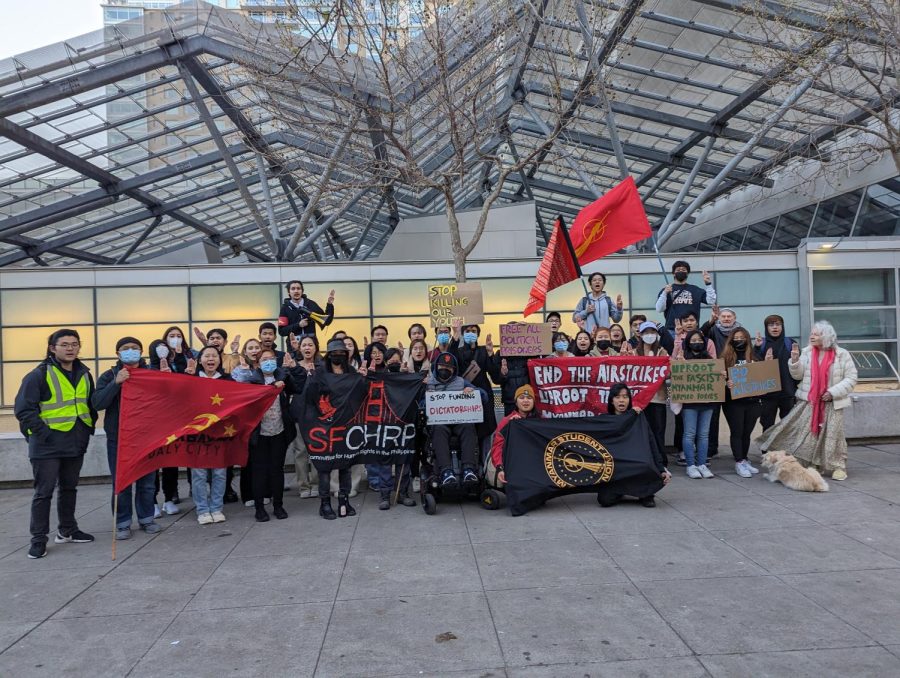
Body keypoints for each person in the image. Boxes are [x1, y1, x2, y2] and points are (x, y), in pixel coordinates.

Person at [14, 329, 97, 559]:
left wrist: (87, 428)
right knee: (44, 492)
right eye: (65, 344)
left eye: (75, 344)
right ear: (52, 348)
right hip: (47, 444)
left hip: (76, 440)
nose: (70, 348)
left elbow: (88, 404)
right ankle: (38, 540)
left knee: (69, 488)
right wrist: (44, 433)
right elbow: (23, 409)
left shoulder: (84, 373)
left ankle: (67, 530)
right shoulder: (38, 375)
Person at [758, 320, 858, 481]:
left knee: (833, 435)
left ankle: (838, 466)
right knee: (810, 435)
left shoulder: (842, 354)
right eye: (811, 333)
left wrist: (832, 392)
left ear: (825, 336)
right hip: (810, 402)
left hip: (833, 403)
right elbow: (797, 376)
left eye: (816, 334)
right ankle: (814, 463)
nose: (811, 336)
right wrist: (795, 361)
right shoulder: (806, 352)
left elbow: (852, 378)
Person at [92, 337, 160, 540]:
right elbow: (97, 403)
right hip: (119, 439)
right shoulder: (109, 375)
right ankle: (122, 523)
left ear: (141, 352)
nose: (131, 351)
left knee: (147, 482)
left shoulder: (152, 375)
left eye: (135, 348)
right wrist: (116, 383)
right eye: (125, 348)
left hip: (147, 437)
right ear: (118, 354)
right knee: (121, 483)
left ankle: (147, 518)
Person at [232, 347, 298, 521]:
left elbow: (297, 388)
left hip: (279, 431)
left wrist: (291, 370)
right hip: (258, 434)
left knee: (277, 470)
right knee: (259, 471)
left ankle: (278, 505)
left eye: (271, 358)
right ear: (258, 363)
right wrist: (272, 386)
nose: (268, 361)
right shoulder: (251, 380)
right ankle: (259, 508)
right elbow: (253, 399)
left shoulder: (282, 376)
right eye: (264, 359)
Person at [302, 338, 360, 519]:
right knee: (325, 467)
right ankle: (325, 504)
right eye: (335, 353)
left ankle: (344, 500)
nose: (338, 356)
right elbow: (310, 398)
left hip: (345, 424)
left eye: (342, 353)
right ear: (329, 355)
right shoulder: (319, 373)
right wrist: (310, 379)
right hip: (324, 426)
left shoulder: (351, 372)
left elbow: (360, 394)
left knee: (346, 466)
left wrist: (364, 378)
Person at [597, 383, 670, 508]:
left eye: (625, 397)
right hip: (616, 471)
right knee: (605, 500)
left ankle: (646, 494)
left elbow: (651, 443)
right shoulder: (605, 420)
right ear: (611, 400)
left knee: (647, 470)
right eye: (618, 397)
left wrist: (661, 469)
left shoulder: (637, 417)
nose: (621, 400)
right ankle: (623, 490)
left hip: (636, 468)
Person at [151, 326, 196, 514]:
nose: (175, 339)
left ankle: (170, 497)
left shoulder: (186, 357)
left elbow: (184, 384)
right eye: (171, 336)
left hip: (179, 416)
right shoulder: (153, 364)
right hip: (157, 419)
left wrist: (178, 357)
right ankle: (151, 500)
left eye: (178, 336)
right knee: (153, 461)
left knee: (172, 457)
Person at [426, 352, 486, 490]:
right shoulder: (428, 383)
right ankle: (446, 471)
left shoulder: (461, 381)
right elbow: (421, 404)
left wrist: (473, 391)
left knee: (468, 427)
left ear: (454, 369)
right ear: (436, 366)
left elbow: (484, 396)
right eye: (441, 366)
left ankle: (468, 470)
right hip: (440, 423)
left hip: (460, 422)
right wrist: (427, 399)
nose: (444, 369)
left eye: (449, 367)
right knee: (438, 430)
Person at [190, 346, 232, 525]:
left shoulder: (227, 380)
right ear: (200, 360)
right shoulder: (191, 380)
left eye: (214, 356)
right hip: (197, 435)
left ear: (219, 360)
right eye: (206, 355)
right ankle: (202, 510)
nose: (210, 359)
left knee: (220, 473)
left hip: (220, 434)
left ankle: (216, 508)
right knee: (199, 473)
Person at [721, 327, 765, 478]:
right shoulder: (725, 358)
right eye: (736, 338)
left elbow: (762, 376)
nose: (739, 340)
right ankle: (738, 461)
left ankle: (745, 459)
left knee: (747, 432)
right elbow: (719, 380)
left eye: (742, 337)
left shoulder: (754, 356)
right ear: (731, 340)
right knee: (737, 431)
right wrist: (726, 382)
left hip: (752, 401)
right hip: (733, 402)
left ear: (747, 339)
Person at [677, 330, 717, 479]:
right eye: (693, 340)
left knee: (704, 435)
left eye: (699, 340)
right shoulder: (683, 357)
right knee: (689, 434)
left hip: (707, 401)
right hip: (689, 402)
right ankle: (690, 465)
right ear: (688, 342)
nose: (696, 343)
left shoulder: (709, 358)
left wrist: (721, 374)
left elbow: (716, 375)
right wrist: (679, 364)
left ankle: (701, 464)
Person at [487, 384, 537, 488]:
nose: (526, 401)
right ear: (516, 401)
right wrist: (499, 468)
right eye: (522, 398)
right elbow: (497, 447)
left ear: (534, 402)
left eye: (529, 398)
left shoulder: (539, 422)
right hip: (514, 467)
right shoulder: (507, 421)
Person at [755, 314, 799, 430]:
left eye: (778, 324)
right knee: (767, 425)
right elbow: (754, 368)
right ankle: (766, 448)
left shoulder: (791, 343)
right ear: (766, 328)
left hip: (787, 392)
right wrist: (757, 349)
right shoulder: (761, 344)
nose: (775, 327)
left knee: (788, 426)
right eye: (771, 325)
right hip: (767, 394)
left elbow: (799, 369)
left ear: (782, 326)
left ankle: (787, 448)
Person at [292, 335, 321, 498]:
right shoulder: (293, 366)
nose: (307, 348)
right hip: (298, 414)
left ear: (315, 347)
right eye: (304, 345)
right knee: (300, 452)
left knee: (317, 450)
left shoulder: (322, 366)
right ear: (300, 348)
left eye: (310, 345)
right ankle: (303, 486)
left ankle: (317, 484)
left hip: (317, 416)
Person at [634, 321, 668, 458]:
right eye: (646, 332)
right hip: (640, 400)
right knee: (642, 431)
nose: (650, 335)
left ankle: (661, 460)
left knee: (658, 431)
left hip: (658, 398)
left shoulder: (662, 351)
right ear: (641, 335)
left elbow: (668, 372)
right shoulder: (634, 352)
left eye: (652, 332)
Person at [655, 260, 717, 331]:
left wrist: (708, 284)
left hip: (692, 330)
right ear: (673, 273)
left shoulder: (695, 289)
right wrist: (665, 293)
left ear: (687, 273)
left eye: (684, 270)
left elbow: (711, 300)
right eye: (678, 270)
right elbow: (659, 309)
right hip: (672, 329)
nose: (681, 271)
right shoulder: (666, 290)